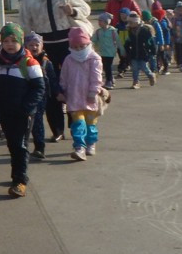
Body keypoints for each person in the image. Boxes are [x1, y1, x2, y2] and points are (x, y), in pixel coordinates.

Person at [0, 22, 45, 198]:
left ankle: (20, 181)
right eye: (6, 41)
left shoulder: (29, 63)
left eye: (14, 41)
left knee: (20, 146)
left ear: (21, 42)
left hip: (23, 113)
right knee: (12, 144)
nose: (9, 45)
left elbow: (39, 88)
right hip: (5, 111)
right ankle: (17, 173)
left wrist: (26, 108)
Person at [18, 0, 93, 74]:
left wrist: (73, 12)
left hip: (67, 41)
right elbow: (24, 22)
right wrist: (27, 42)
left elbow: (85, 9)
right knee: (50, 76)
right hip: (44, 44)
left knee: (71, 74)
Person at [57, 29, 104, 161]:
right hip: (74, 97)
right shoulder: (69, 59)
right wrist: (62, 91)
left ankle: (91, 143)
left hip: (90, 98)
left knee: (90, 124)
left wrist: (93, 92)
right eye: (75, 47)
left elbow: (96, 77)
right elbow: (64, 76)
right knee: (78, 124)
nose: (78, 49)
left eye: (82, 46)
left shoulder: (94, 58)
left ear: (88, 44)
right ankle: (79, 147)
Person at [25, 32, 62, 146]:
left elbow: (52, 78)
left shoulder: (46, 62)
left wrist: (57, 92)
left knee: (52, 113)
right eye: (31, 45)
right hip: (31, 94)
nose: (34, 47)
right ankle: (35, 143)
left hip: (47, 93)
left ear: (42, 46)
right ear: (26, 47)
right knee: (35, 119)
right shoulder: (23, 61)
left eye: (37, 45)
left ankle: (57, 132)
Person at [123, 12, 156, 90]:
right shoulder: (130, 31)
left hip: (143, 52)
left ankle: (150, 75)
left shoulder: (145, 30)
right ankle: (136, 82)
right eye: (129, 22)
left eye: (131, 22)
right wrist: (126, 48)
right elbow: (128, 41)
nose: (129, 24)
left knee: (144, 67)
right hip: (134, 52)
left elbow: (150, 41)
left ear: (136, 22)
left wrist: (152, 51)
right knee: (134, 68)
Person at [92, 12, 121, 90]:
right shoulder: (98, 32)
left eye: (100, 21)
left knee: (108, 67)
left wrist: (122, 50)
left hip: (110, 53)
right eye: (98, 21)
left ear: (106, 22)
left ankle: (109, 81)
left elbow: (118, 41)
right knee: (105, 67)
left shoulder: (113, 31)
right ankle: (111, 79)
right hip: (102, 52)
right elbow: (93, 40)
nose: (99, 22)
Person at [151, 2, 172, 75]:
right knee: (157, 56)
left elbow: (167, 33)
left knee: (163, 56)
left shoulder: (163, 21)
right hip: (156, 42)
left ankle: (165, 68)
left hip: (162, 42)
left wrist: (167, 43)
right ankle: (158, 67)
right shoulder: (154, 21)